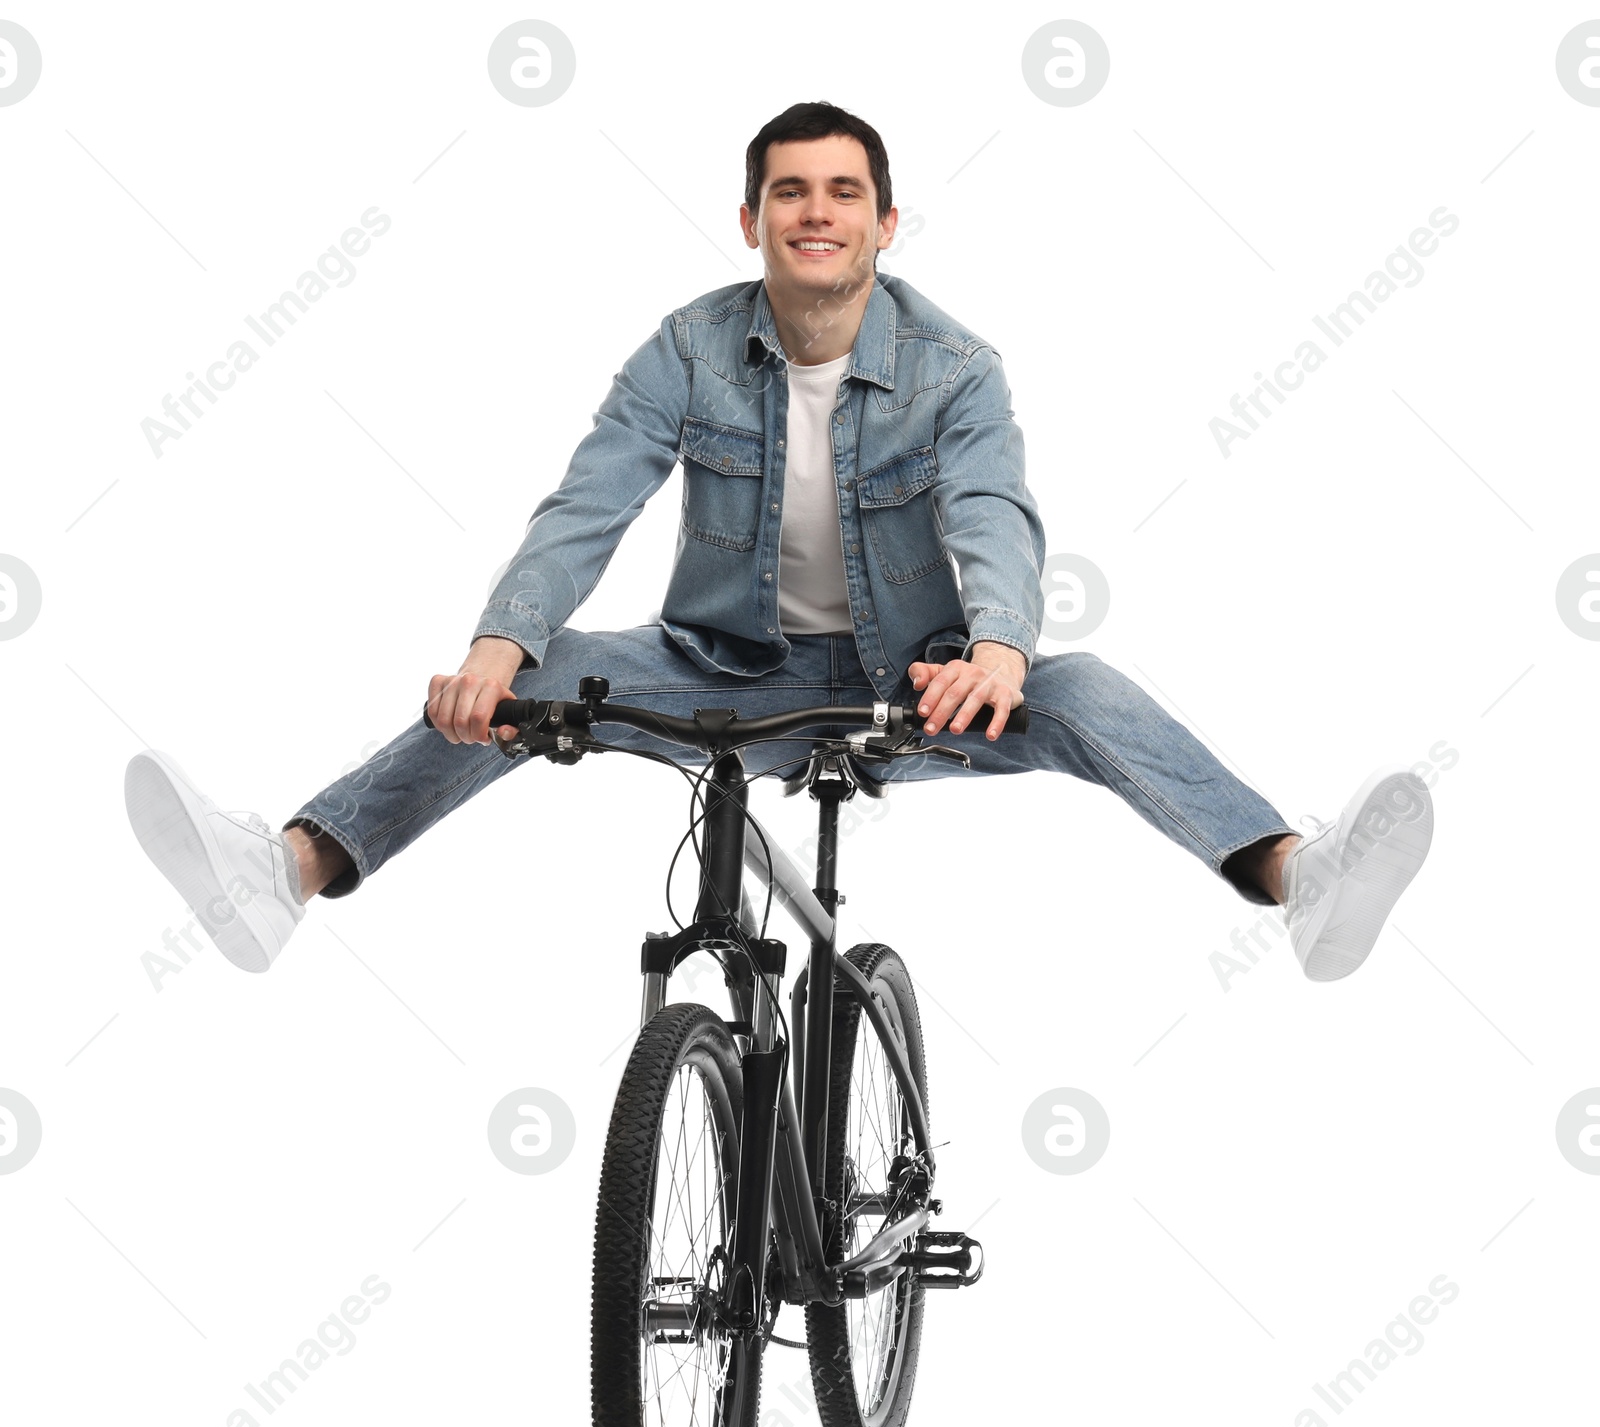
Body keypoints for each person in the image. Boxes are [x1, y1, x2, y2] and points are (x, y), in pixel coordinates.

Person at [124, 101, 1432, 983]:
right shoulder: (687, 347)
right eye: (790, 193)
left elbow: (994, 513)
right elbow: (591, 500)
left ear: (886, 223)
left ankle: (1293, 875)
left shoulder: (955, 367)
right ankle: (284, 871)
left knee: (1085, 685)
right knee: (528, 674)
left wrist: (997, 650)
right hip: (714, 673)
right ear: (751, 220)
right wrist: (496, 644)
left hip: (909, 681)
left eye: (846, 193)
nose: (819, 212)